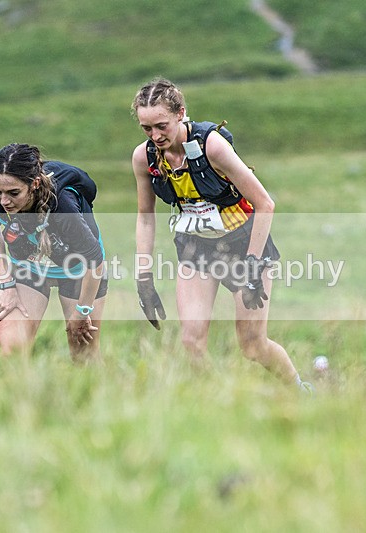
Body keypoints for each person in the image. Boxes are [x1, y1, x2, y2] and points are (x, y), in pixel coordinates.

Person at [130, 77, 311, 391]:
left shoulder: (211, 146)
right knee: (191, 341)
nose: (155, 136)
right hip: (196, 249)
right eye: (147, 128)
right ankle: (221, 405)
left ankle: (300, 390)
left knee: (253, 346)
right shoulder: (144, 158)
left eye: (161, 126)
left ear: (180, 113)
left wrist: (254, 267)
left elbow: (265, 204)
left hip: (245, 245)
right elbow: (146, 218)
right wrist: (143, 276)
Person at [0, 143, 107, 361]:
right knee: (12, 350)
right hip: (29, 268)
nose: (4, 201)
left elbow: (95, 262)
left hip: (79, 270)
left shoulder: (63, 206)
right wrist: (6, 284)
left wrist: (83, 310)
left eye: (13, 193)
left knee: (83, 354)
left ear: (35, 184)